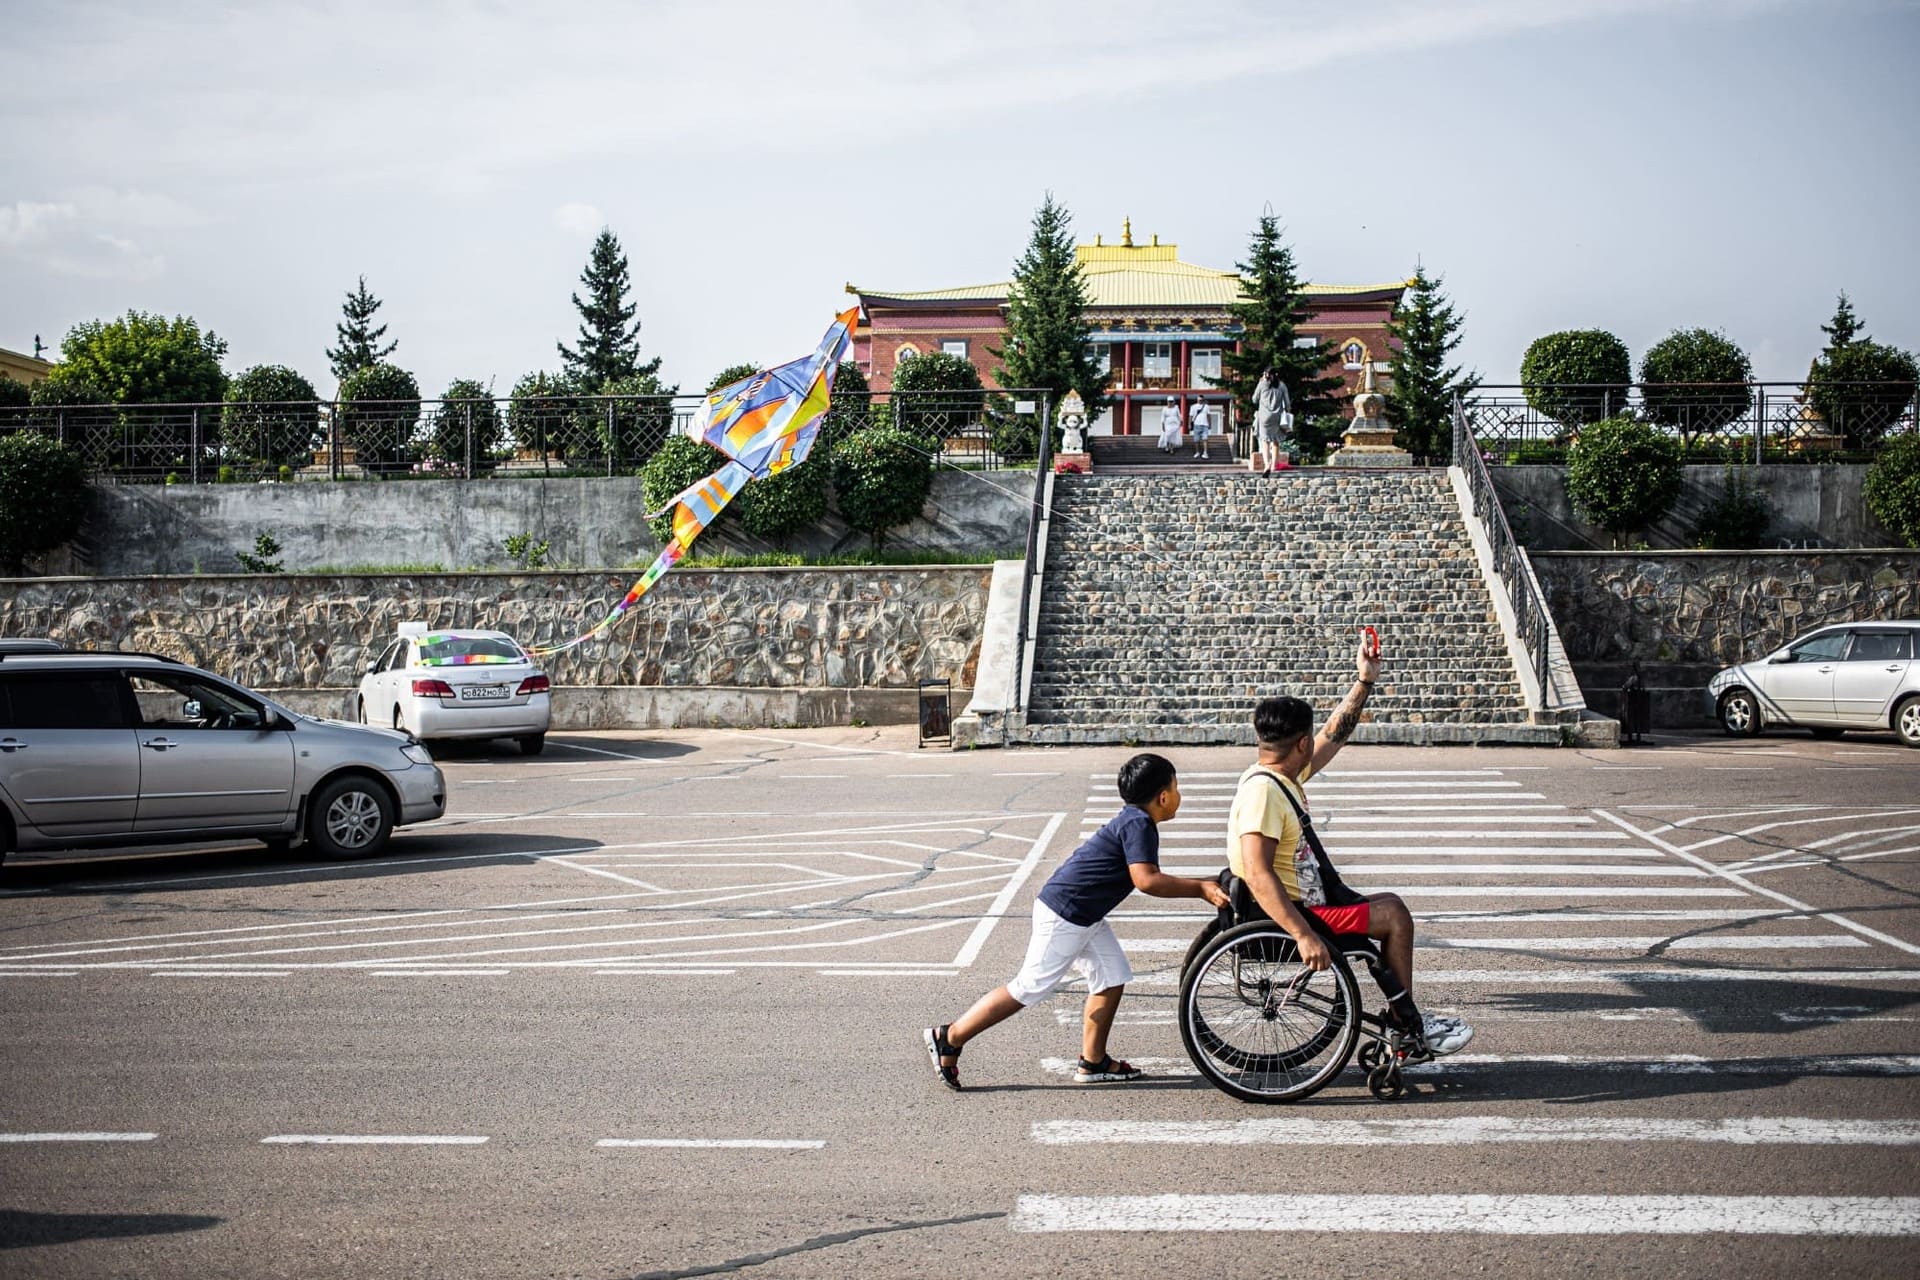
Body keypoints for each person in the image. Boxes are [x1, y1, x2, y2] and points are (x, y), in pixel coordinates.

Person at [1226, 630, 1474, 1055]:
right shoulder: (1265, 793)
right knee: (1395, 915)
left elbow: (1333, 735)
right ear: (1300, 743)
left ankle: (1403, 1019)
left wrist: (1364, 682)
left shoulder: (1276, 774)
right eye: (1310, 740)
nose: (1315, 745)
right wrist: (1303, 935)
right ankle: (1404, 1027)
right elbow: (1257, 871)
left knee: (1389, 906)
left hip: (1311, 899)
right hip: (1304, 911)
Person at [924, 753, 1231, 1089]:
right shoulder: (1138, 824)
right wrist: (1200, 888)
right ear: (1163, 796)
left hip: (1083, 914)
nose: (1178, 795)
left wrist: (1204, 883)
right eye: (1176, 787)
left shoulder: (1135, 819)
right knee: (1028, 986)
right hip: (1066, 914)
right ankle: (950, 1036)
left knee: (1112, 976)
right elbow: (1147, 880)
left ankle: (1093, 1060)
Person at [1251, 368, 1292, 475]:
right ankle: (1274, 465)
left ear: (1265, 374)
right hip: (1277, 417)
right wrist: (1287, 411)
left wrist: (1261, 383)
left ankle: (1267, 465)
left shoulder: (1262, 384)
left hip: (1264, 417)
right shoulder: (1282, 385)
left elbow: (1254, 399)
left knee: (1265, 442)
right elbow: (1287, 403)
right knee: (1275, 441)